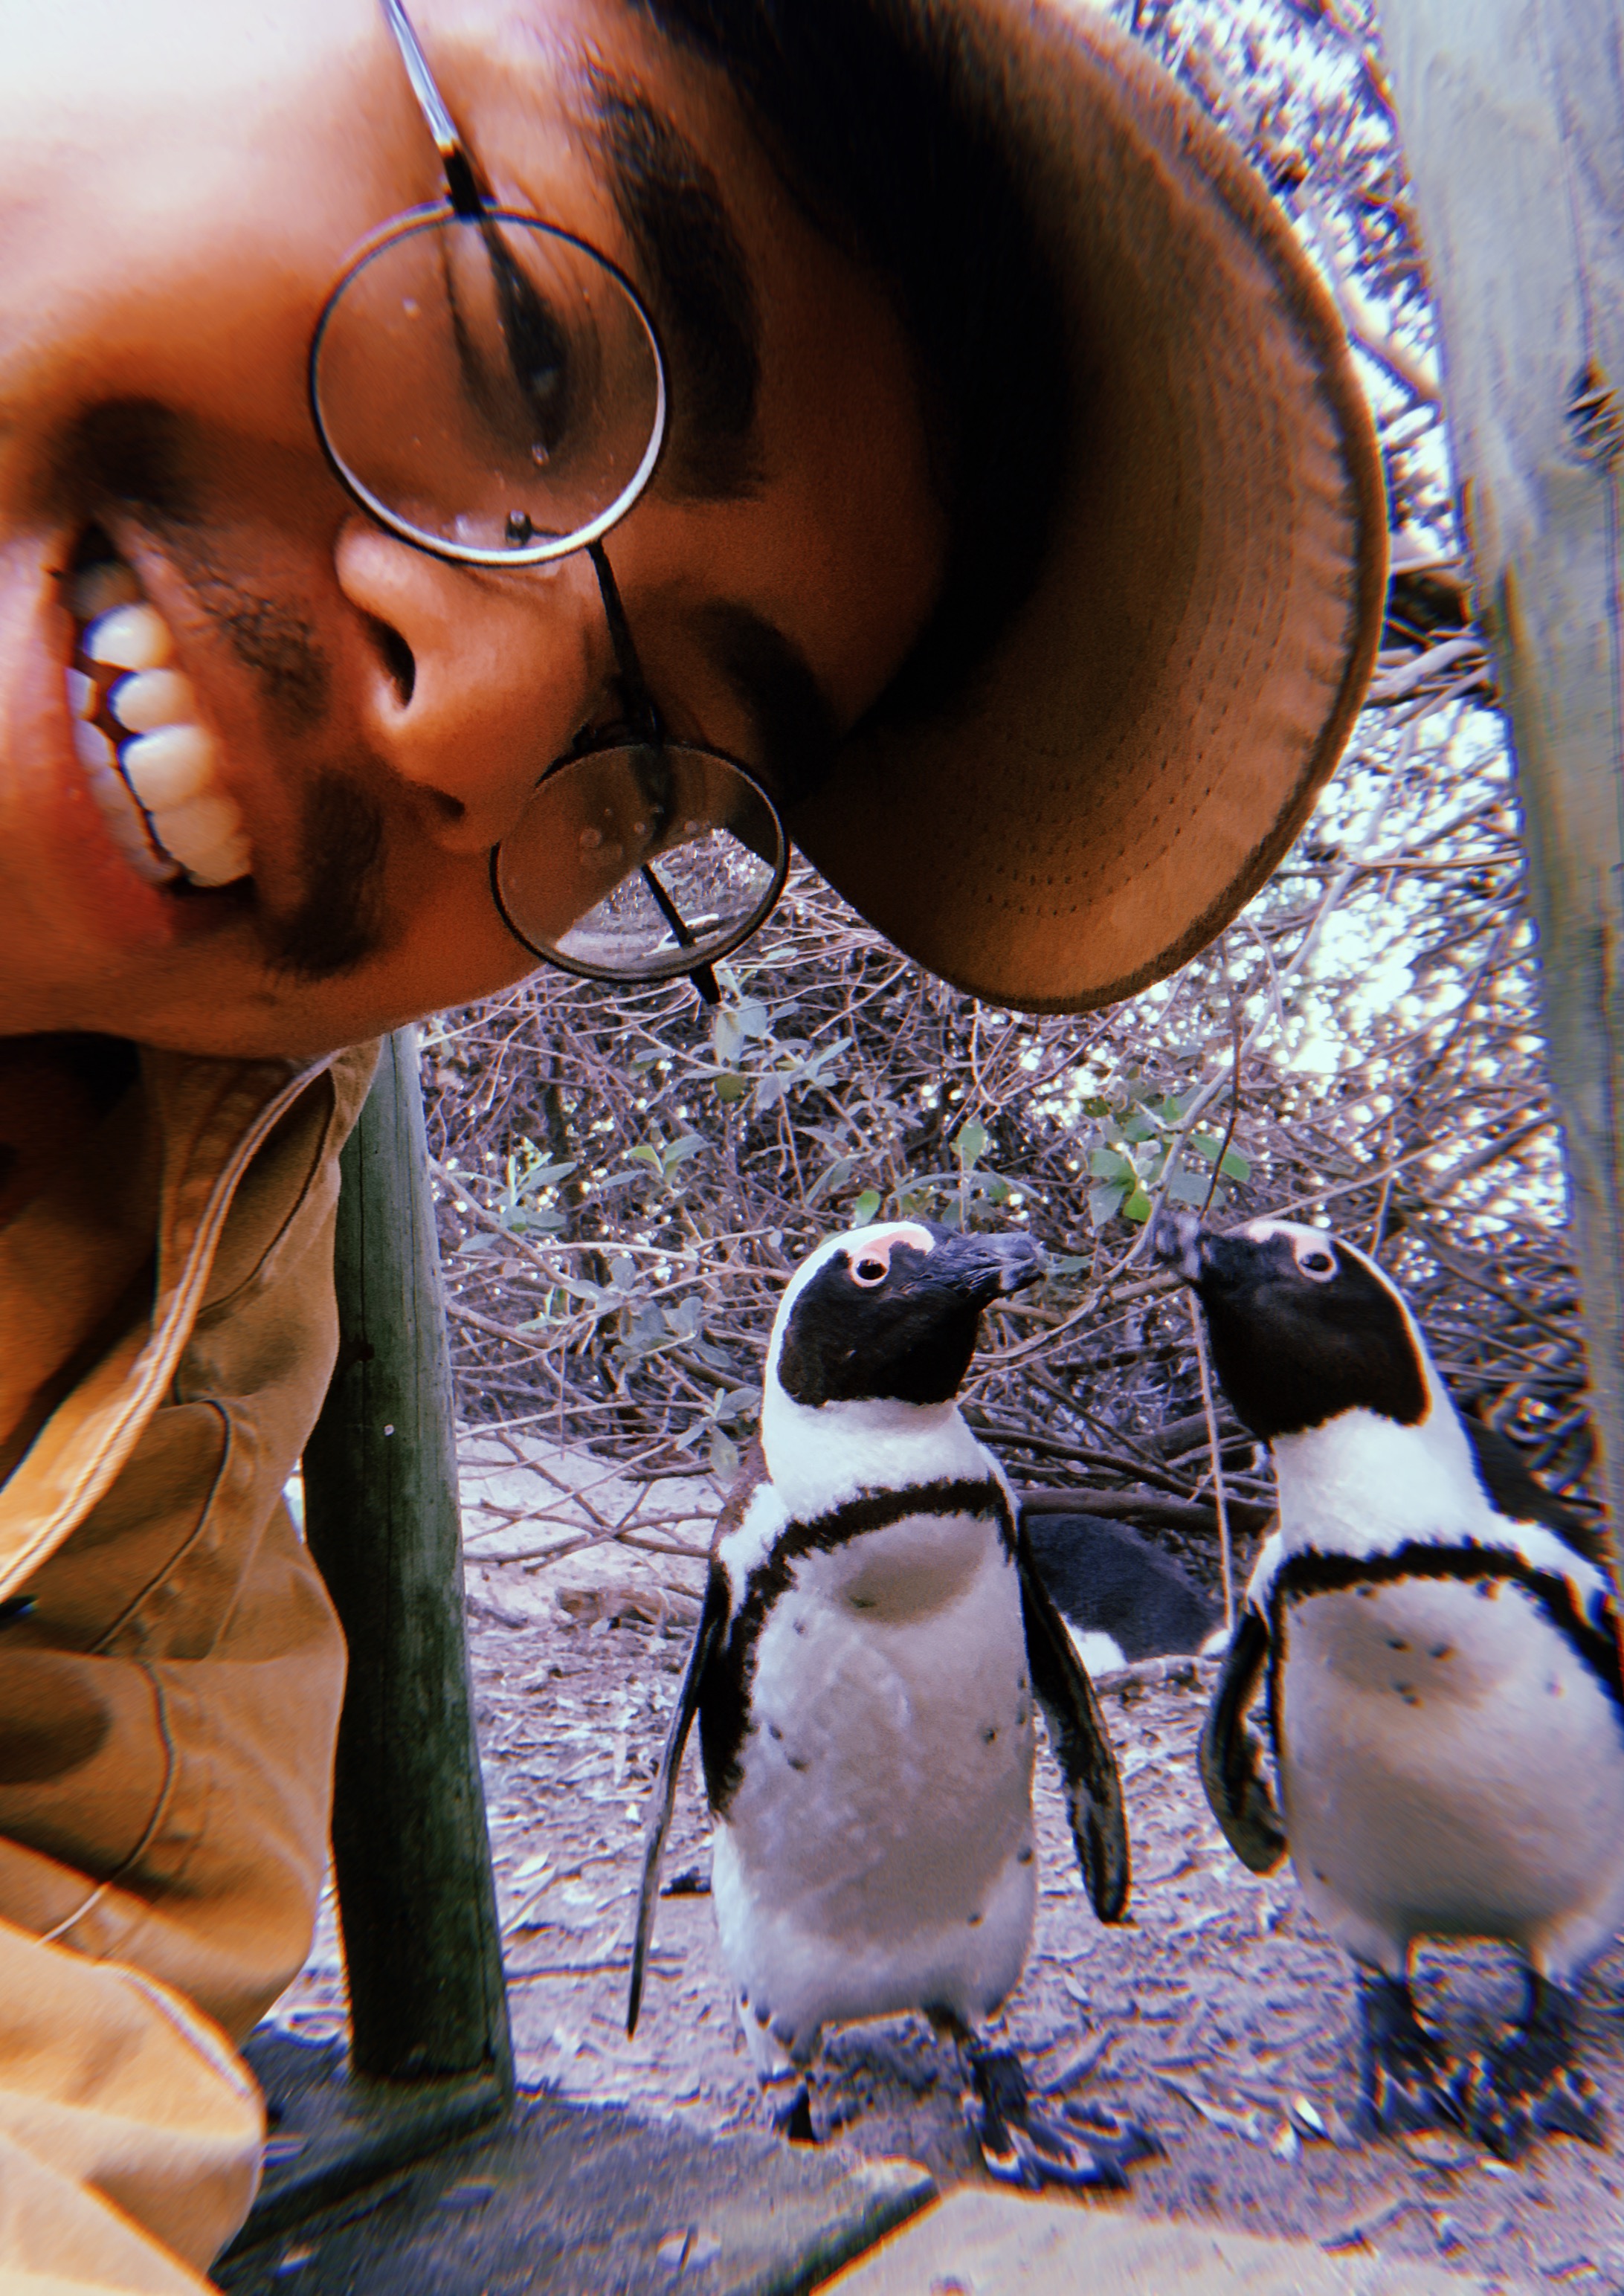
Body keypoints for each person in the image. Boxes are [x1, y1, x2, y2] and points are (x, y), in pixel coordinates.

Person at [0, 0, 1385, 2283]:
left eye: (646, 770)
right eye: (534, 351)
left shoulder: (174, 1289)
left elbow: (70, 1944)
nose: (491, 723)